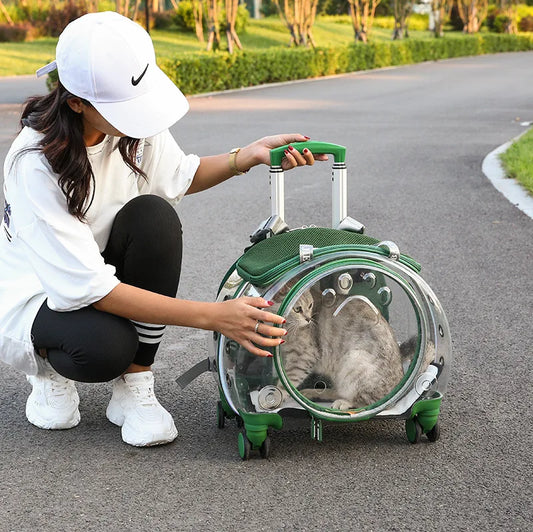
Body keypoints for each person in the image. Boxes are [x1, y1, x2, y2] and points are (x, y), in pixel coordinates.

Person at [0, 11, 326, 447]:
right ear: (76, 102)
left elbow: (179, 175)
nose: (141, 118)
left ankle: (134, 385)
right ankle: (47, 370)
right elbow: (88, 289)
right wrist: (214, 317)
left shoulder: (129, 125)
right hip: (41, 293)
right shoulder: (34, 164)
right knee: (104, 348)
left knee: (156, 218)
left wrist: (244, 157)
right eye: (124, 108)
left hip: (95, 271)